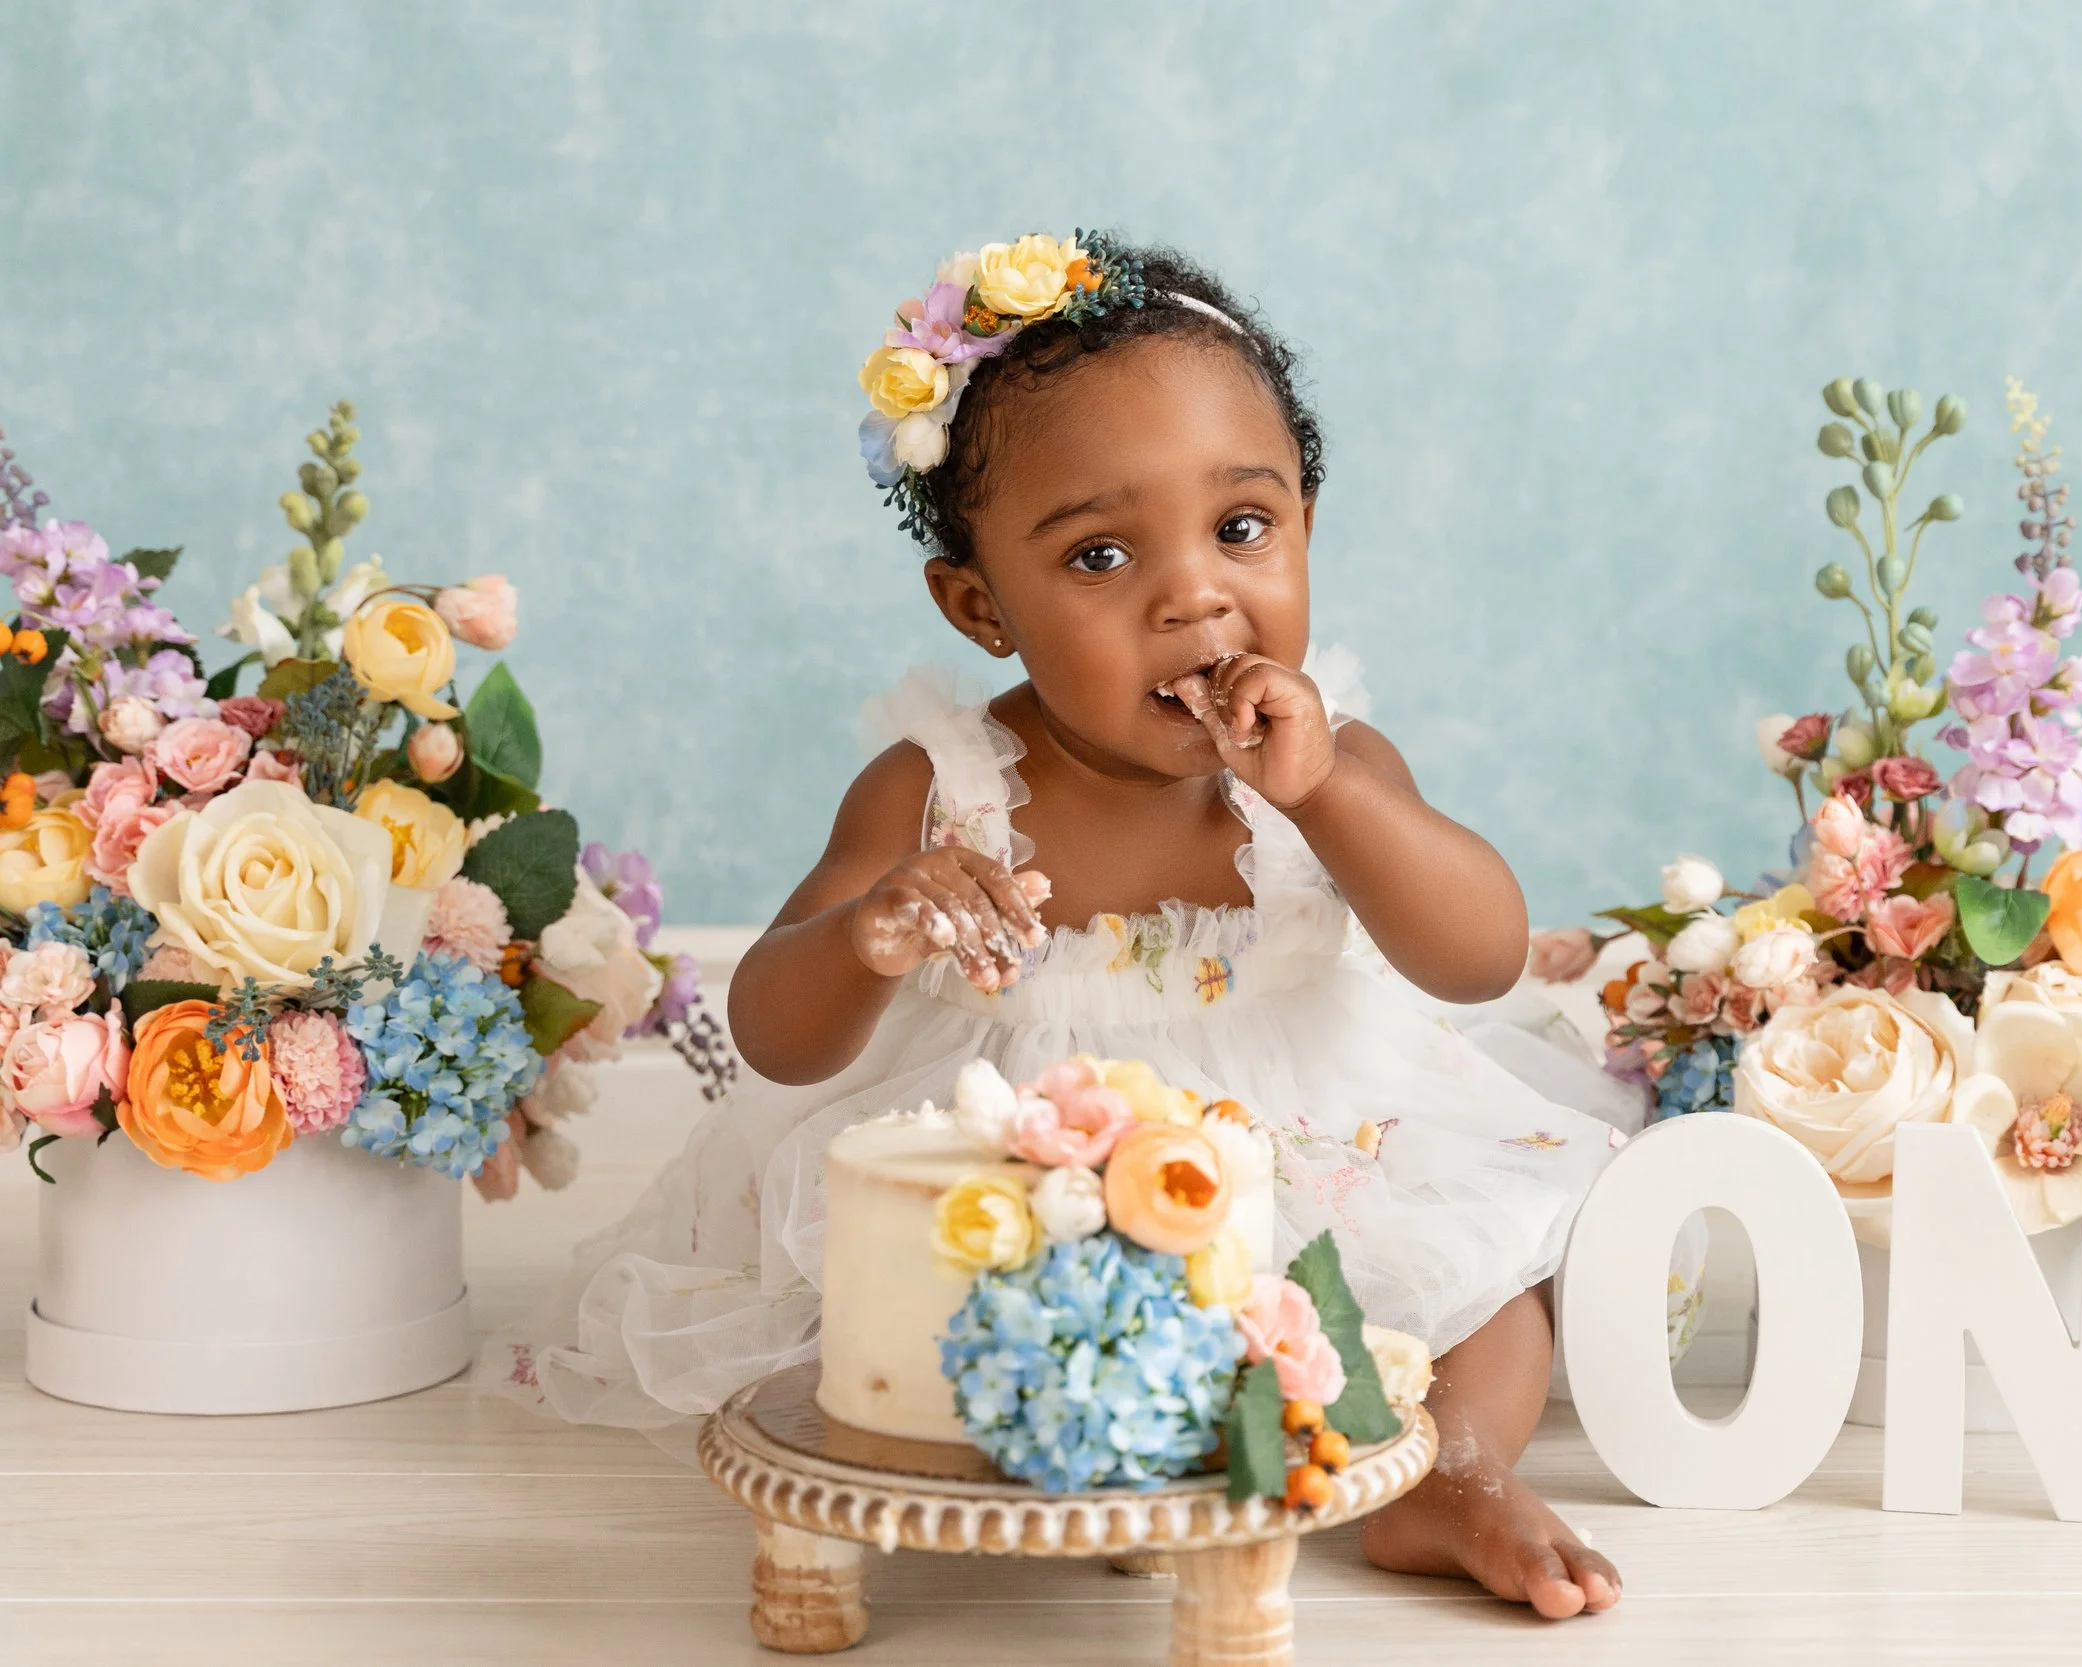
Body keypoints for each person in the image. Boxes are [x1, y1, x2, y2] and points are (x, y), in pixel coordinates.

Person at [494, 232, 1667, 1620]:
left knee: (1480, 1300)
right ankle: (1092, 1445)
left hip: (1306, 1143)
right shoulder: (941, 788)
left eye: (1244, 527)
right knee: (923, 1318)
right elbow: (778, 1037)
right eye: (1102, 554)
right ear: (982, 605)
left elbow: (1473, 954)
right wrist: (872, 930)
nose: (1193, 595)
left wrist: (1333, 799)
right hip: (1018, 1176)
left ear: (1303, 525)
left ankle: (1451, 1478)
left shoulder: (1330, 763)